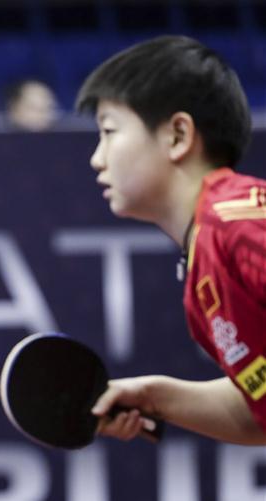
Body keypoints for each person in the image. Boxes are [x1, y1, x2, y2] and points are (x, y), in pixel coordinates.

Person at [75, 36, 266, 446]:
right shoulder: (203, 271)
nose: (97, 157)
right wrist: (158, 397)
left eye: (110, 131)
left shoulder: (242, 223)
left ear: (178, 135)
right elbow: (258, 411)